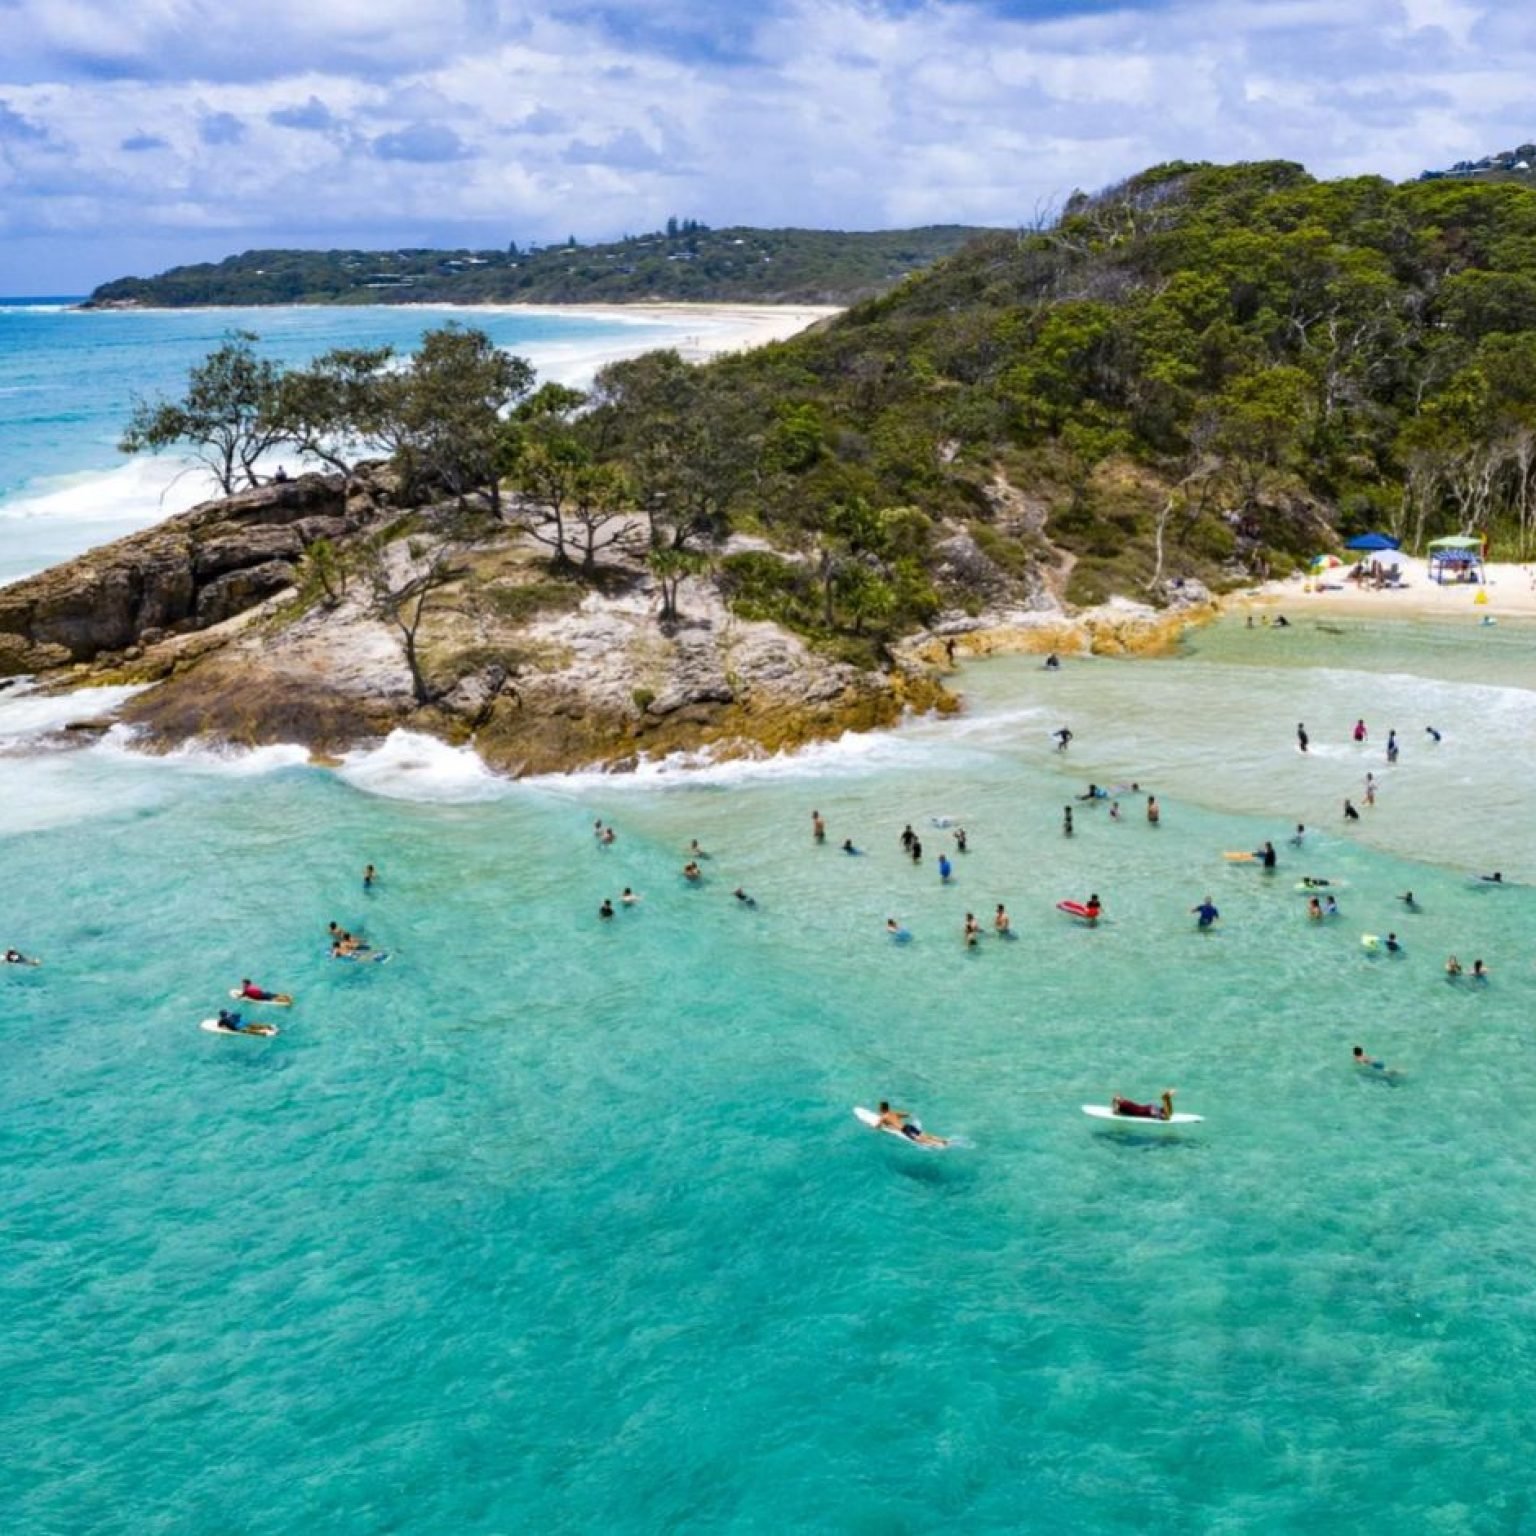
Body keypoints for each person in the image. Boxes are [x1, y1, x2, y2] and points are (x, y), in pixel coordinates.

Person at [873, 1101, 949, 1146]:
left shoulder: (883, 1117)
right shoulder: (894, 1113)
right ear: (888, 1108)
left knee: (917, 1140)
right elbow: (906, 1114)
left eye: (879, 1107)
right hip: (908, 1125)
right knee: (924, 1134)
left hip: (904, 1129)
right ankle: (942, 1140)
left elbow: (878, 1126)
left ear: (882, 1109)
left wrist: (876, 1127)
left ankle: (936, 1144)